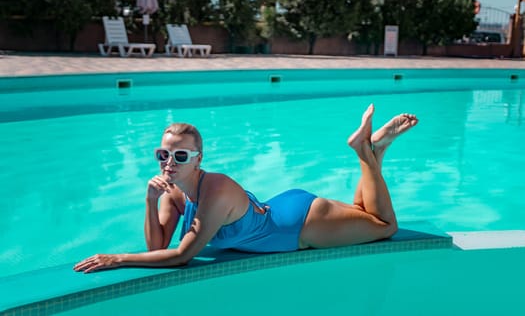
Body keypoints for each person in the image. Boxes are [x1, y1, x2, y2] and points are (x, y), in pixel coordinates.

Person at [74, 104, 418, 273]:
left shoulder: (217, 189)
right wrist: (150, 201)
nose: (169, 162)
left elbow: (181, 256)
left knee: (385, 226)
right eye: (163, 154)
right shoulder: (172, 193)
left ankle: (365, 151)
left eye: (180, 155)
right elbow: (157, 245)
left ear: (198, 159)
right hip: (282, 211)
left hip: (300, 225)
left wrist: (117, 258)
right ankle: (374, 149)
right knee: (365, 213)